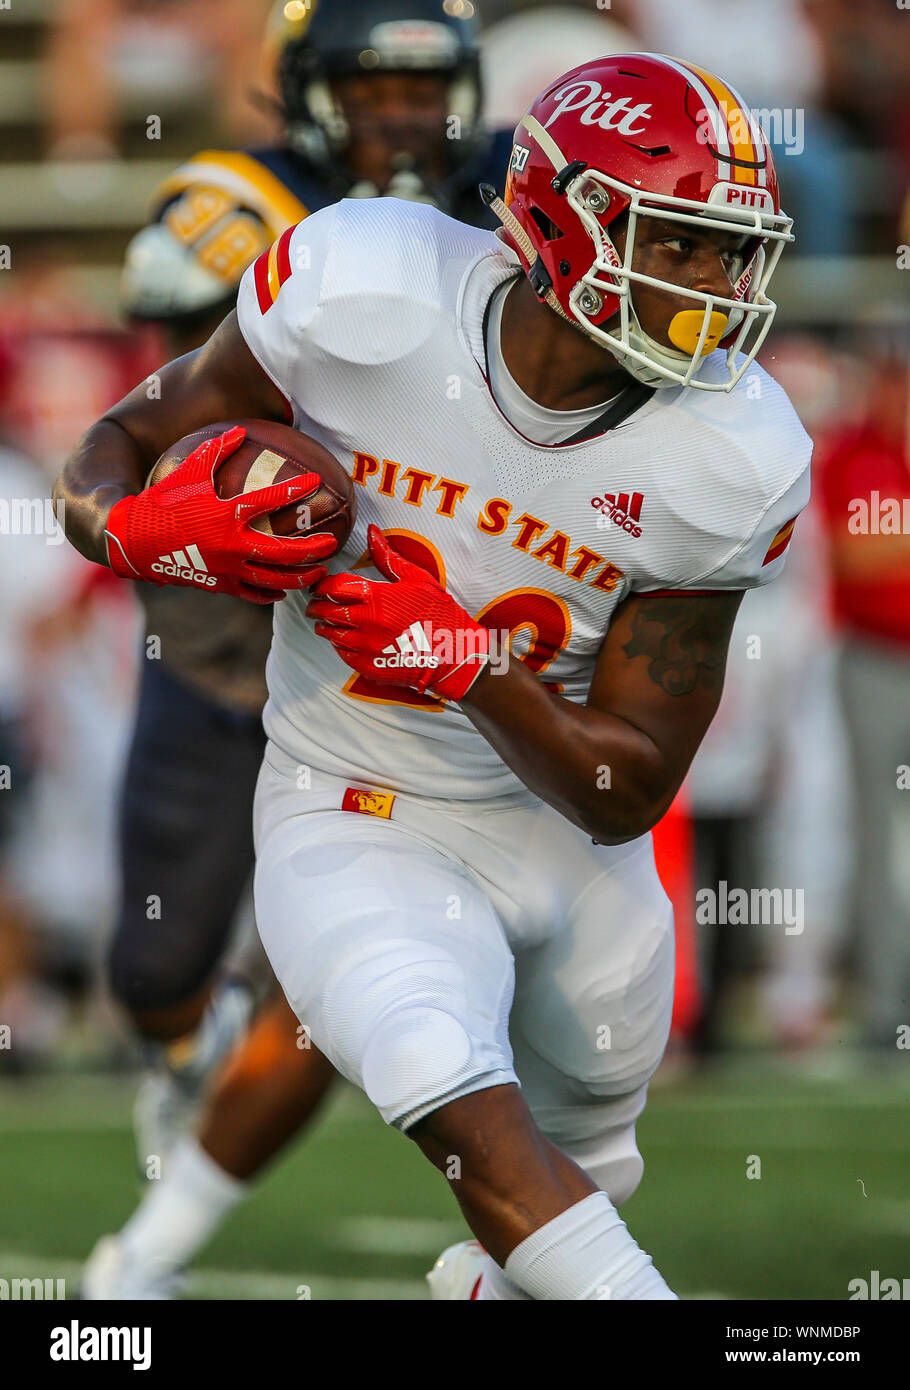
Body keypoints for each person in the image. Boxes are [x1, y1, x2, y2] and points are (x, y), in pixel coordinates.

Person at [58, 52, 811, 1300]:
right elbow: (129, 435)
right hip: (353, 799)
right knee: (455, 1095)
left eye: (733, 250)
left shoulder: (727, 455)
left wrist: (462, 660)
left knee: (559, 1211)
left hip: (569, 841)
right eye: (680, 244)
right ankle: (134, 1273)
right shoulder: (368, 285)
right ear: (568, 221)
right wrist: (127, 529)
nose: (718, 288)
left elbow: (627, 785)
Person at [81, 0, 514, 1299]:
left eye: (423, 87)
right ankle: (183, 1045)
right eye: (373, 88)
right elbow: (170, 365)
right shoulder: (241, 196)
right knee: (154, 966)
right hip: (229, 640)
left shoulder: (505, 188)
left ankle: (526, 1229)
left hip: (398, 642)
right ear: (309, 93)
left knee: (343, 979)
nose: (403, 113)